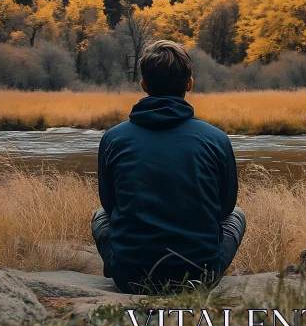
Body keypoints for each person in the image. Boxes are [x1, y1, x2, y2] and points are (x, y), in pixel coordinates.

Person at [91, 40, 246, 294]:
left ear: (144, 85)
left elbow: (110, 205)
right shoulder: (216, 139)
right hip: (199, 275)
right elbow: (225, 207)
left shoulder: (113, 138)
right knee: (237, 215)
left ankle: (125, 263)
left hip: (130, 276)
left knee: (99, 216)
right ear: (189, 84)